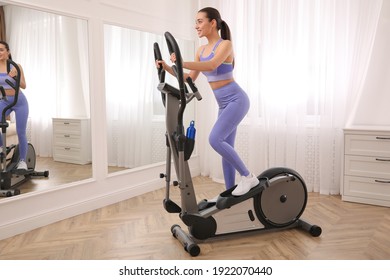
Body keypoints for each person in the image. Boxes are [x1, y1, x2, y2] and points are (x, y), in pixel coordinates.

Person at [157, 7, 259, 196]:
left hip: (237, 100)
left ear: (213, 23)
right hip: (223, 105)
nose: (196, 26)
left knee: (215, 139)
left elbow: (212, 65)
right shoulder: (201, 50)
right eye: (195, 22)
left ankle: (248, 176)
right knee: (225, 149)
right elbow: (189, 78)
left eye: (200, 21)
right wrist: (168, 67)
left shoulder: (225, 45)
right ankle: (230, 193)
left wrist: (180, 60)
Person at [0, 41, 29, 171]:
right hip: (4, 100)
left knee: (20, 131)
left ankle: (23, 161)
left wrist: (16, 75)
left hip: (19, 101)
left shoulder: (16, 66)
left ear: (8, 52)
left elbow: (23, 86)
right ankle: (2, 147)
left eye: (1, 50)